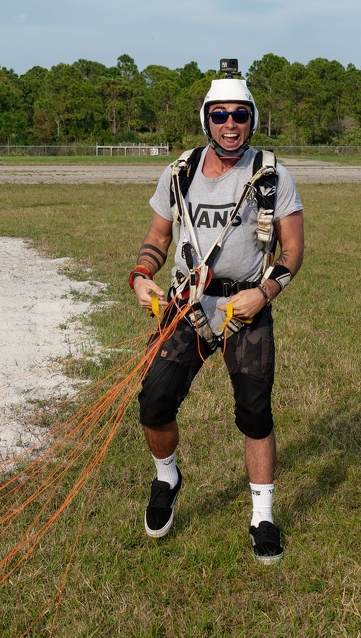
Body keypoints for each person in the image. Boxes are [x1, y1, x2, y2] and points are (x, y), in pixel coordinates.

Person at [130, 75, 304, 563]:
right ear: (206, 118)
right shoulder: (179, 172)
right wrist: (142, 275)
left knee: (254, 411)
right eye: (220, 115)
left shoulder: (272, 175)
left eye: (240, 115)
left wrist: (264, 293)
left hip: (244, 307)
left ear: (252, 117)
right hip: (187, 305)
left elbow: (293, 250)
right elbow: (158, 238)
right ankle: (167, 478)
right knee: (155, 400)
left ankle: (262, 515)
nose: (231, 125)